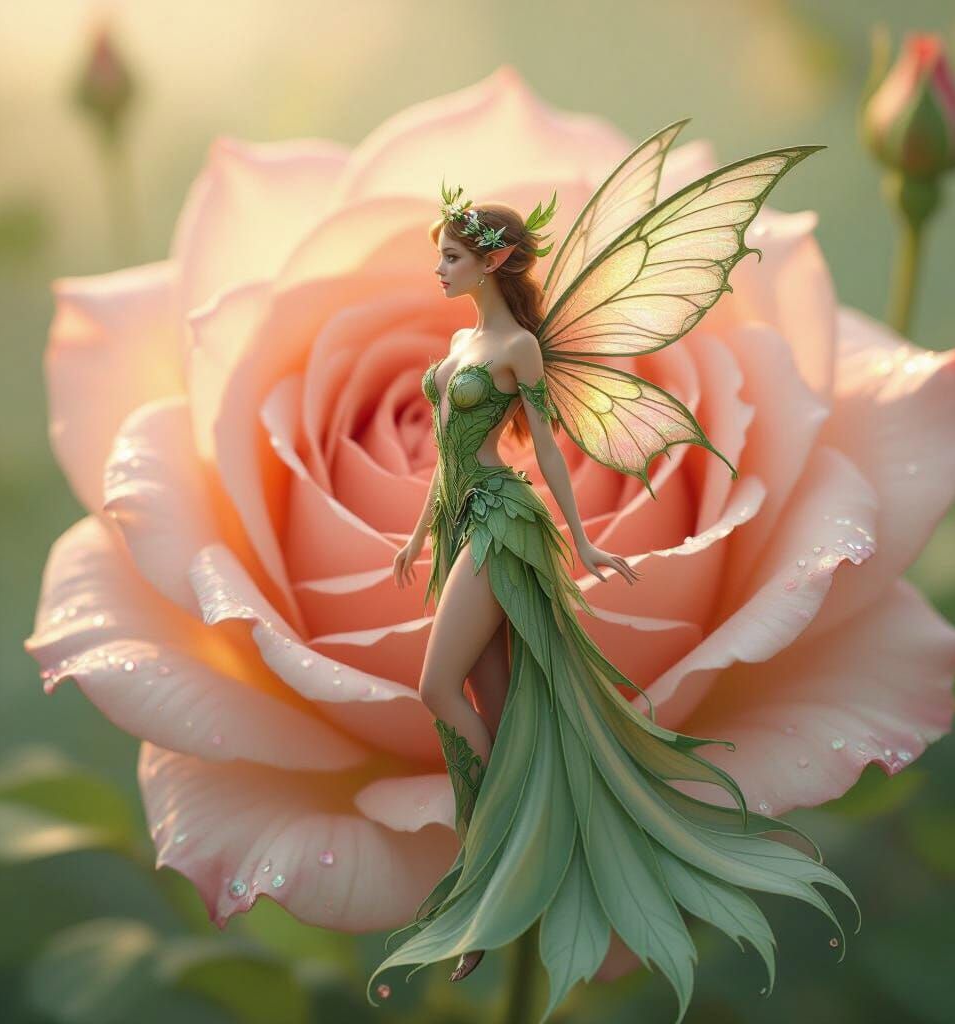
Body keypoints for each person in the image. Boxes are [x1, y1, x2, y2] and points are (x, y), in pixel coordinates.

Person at [371, 123, 860, 1022]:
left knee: (438, 687)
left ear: (493, 262)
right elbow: (446, 458)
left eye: (451, 256)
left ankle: (502, 847)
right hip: (459, 522)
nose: (438, 269)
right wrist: (414, 536)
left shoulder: (518, 352)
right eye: (439, 256)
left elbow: (548, 451)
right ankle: (506, 879)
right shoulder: (458, 350)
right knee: (498, 711)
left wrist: (585, 541)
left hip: (502, 527)